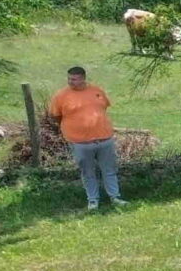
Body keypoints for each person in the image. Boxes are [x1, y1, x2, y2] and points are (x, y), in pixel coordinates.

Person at [45, 65, 124, 211]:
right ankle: (93, 200)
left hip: (104, 139)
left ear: (83, 79)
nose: (70, 81)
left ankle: (115, 197)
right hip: (80, 142)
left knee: (109, 170)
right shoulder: (61, 96)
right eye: (69, 78)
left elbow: (103, 108)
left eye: (74, 79)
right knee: (88, 172)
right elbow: (55, 116)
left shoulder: (96, 91)